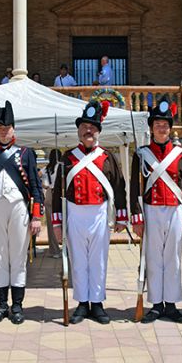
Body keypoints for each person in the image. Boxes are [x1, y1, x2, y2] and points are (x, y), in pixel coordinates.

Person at [52, 101, 128, 324]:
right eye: (85, 126)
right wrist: (57, 224)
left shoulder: (108, 157)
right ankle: (82, 304)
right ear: (78, 130)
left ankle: (97, 303)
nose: (88, 131)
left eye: (93, 127)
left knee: (98, 260)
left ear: (98, 132)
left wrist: (122, 216)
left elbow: (119, 187)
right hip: (74, 214)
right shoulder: (68, 157)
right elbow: (58, 191)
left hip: (100, 213)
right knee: (78, 261)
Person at [0, 101, 43, 325]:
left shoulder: (25, 153)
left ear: (14, 128)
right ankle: (2, 305)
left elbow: (35, 186)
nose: (4, 131)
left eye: (8, 127)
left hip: (19, 208)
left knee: (18, 258)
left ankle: (17, 305)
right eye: (0, 127)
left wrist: (36, 215)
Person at [130, 98, 182, 323]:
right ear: (151, 127)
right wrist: (136, 216)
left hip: (175, 209)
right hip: (151, 210)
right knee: (153, 258)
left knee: (173, 257)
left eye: (165, 124)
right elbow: (134, 188)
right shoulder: (141, 154)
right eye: (157, 124)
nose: (161, 128)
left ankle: (172, 303)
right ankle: (157, 304)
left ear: (170, 128)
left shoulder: (181, 154)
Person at [42, 149, 62, 258]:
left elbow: (39, 177)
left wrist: (45, 186)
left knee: (51, 224)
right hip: (60, 193)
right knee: (64, 222)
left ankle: (54, 251)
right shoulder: (61, 166)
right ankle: (67, 249)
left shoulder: (47, 168)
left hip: (49, 193)